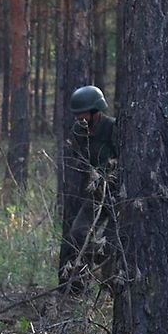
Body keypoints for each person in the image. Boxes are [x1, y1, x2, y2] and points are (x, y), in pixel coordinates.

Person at [61, 84, 118, 291]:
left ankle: (111, 288)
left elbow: (124, 162)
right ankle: (79, 284)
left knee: (111, 243)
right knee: (77, 234)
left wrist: (109, 173)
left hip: (118, 195)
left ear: (95, 111)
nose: (79, 119)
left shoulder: (112, 128)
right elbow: (79, 159)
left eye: (82, 114)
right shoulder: (78, 132)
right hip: (96, 193)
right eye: (77, 115)